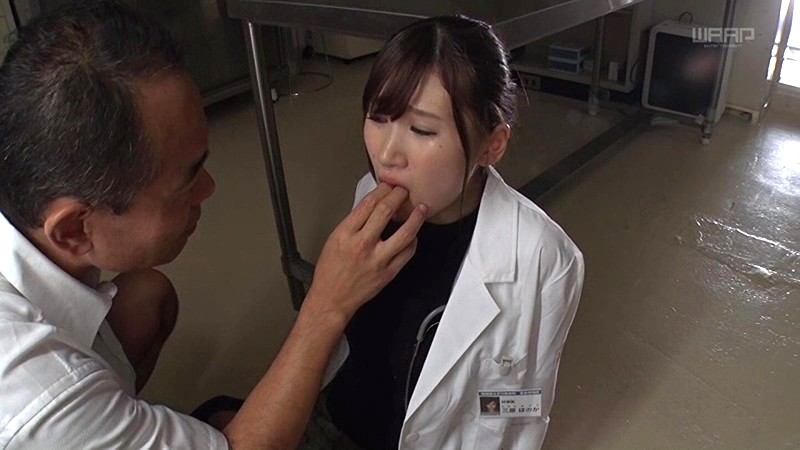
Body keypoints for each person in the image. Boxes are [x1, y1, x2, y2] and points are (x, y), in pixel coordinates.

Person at [0, 1, 426, 449]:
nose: (208, 189)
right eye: (184, 183)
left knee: (147, 297)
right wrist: (328, 304)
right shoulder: (40, 399)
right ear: (73, 230)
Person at [324, 16, 585, 449]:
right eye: (379, 117)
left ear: (491, 145)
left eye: (421, 130)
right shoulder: (368, 192)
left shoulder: (545, 259)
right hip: (341, 423)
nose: (386, 154)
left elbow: (523, 408)